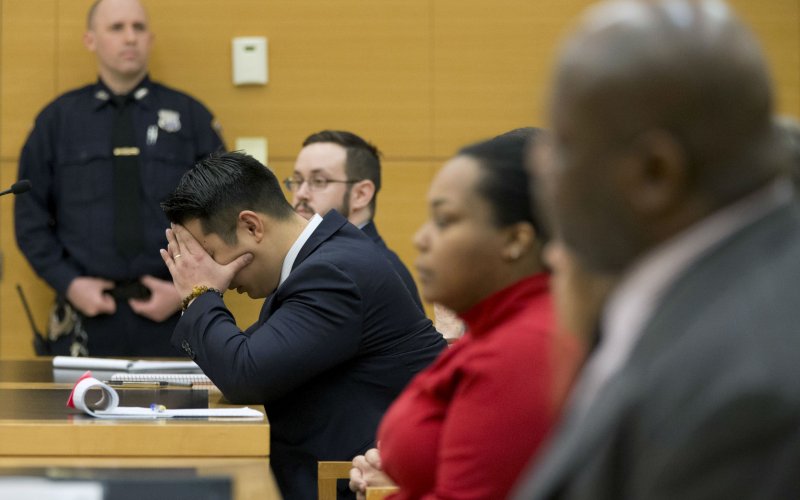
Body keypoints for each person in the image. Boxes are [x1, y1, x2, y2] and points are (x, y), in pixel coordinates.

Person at [512, 1, 800, 498]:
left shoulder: (743, 396)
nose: (538, 166)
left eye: (561, 143)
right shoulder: (724, 290)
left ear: (654, 174)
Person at [159, 151, 446, 499]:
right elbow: (244, 364)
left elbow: (244, 374)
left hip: (350, 484)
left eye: (209, 255)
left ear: (252, 227)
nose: (213, 273)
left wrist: (199, 294)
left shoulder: (333, 273)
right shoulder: (316, 263)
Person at [349, 129, 568, 499]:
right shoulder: (492, 329)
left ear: (516, 241)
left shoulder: (523, 348)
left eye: (445, 221)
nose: (421, 238)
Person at [14, 0, 224, 356]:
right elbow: (30, 216)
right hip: (84, 313)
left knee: (181, 413)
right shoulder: (58, 121)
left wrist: (189, 290)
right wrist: (69, 283)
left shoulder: (191, 118)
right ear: (90, 39)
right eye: (116, 28)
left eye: (138, 28)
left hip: (177, 311)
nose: (130, 37)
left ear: (150, 38)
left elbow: (223, 212)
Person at [287, 130, 423, 309]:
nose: (301, 193)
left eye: (319, 181)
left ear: (361, 194)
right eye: (297, 180)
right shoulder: (332, 258)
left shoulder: (349, 270)